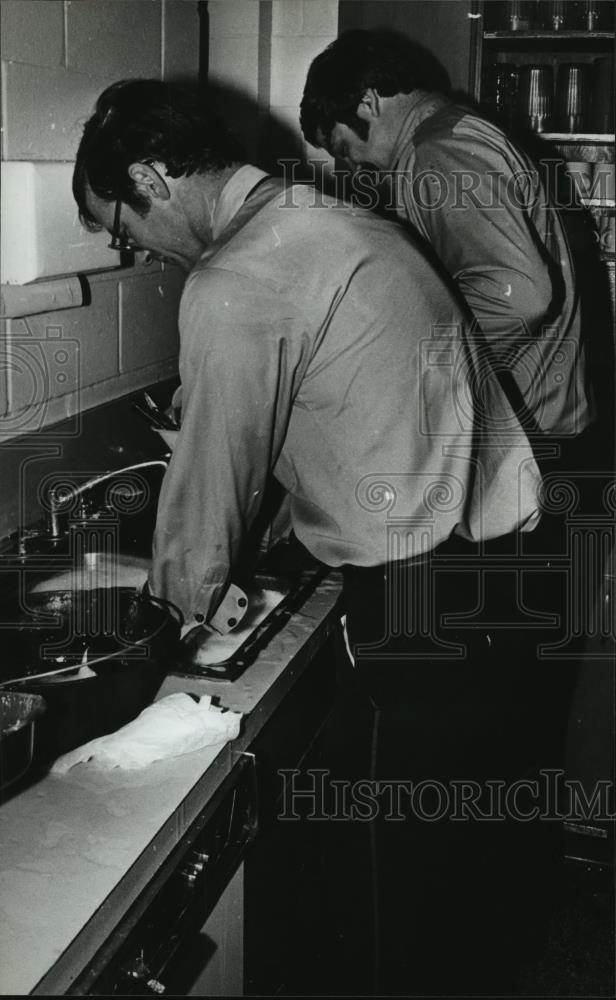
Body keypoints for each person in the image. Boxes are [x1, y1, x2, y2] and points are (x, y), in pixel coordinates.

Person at [73, 80, 544, 995]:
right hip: (496, 563)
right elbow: (340, 403)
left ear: (152, 177)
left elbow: (212, 476)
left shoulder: (237, 276)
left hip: (415, 593)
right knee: (453, 864)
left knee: (388, 887)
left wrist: (167, 631)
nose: (144, 253)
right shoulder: (318, 213)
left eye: (125, 230)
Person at [300, 29, 594, 454]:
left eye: (343, 148)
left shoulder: (438, 150)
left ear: (368, 102)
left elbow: (519, 296)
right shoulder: (462, 132)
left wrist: (405, 355)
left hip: (527, 433)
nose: (354, 166)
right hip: (546, 417)